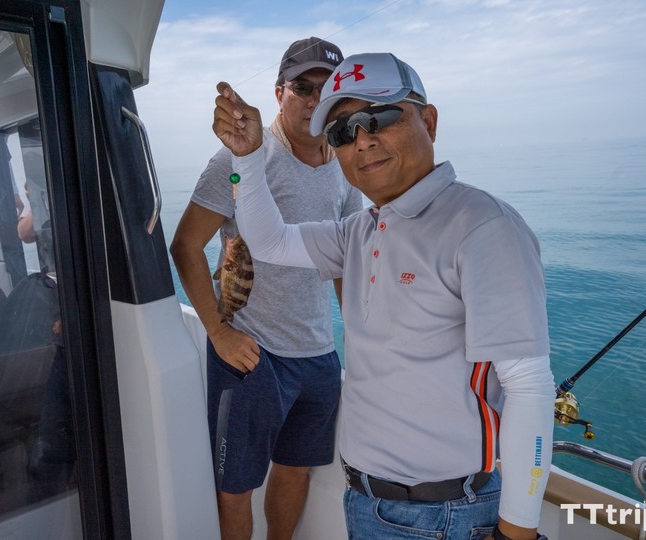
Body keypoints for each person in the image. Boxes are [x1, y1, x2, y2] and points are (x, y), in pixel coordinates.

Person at [211, 52, 555, 540]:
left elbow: (528, 386)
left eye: (380, 117)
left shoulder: (482, 227)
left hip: (446, 514)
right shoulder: (359, 231)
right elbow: (268, 241)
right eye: (342, 131)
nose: (362, 140)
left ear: (429, 120)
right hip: (367, 505)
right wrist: (247, 159)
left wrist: (517, 533)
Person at [170, 37, 362, 540]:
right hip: (251, 352)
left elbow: (344, 262)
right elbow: (186, 245)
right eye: (304, 87)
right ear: (280, 93)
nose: (315, 100)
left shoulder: (346, 167)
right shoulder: (240, 159)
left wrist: (360, 343)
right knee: (236, 488)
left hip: (319, 354)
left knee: (295, 470)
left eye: (327, 91)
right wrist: (218, 333)